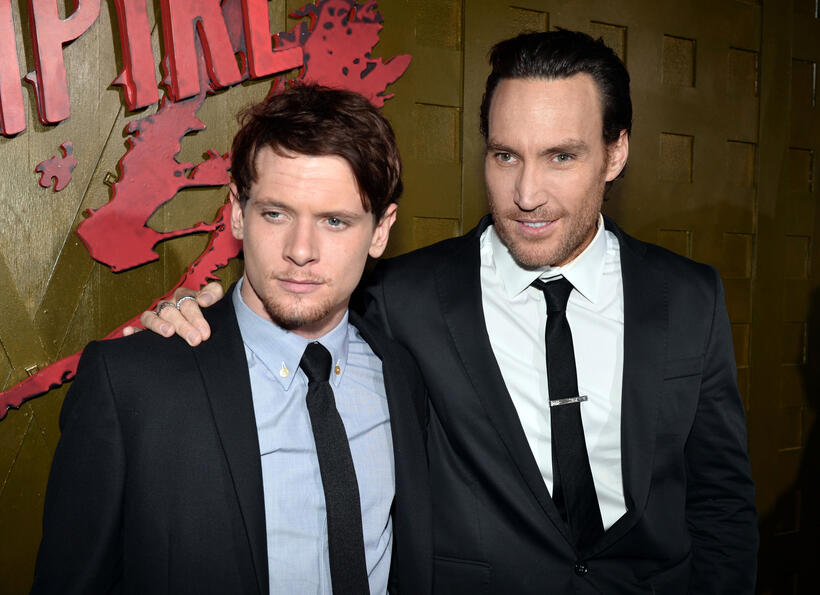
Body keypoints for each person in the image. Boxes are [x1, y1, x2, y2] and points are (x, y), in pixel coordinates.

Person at [140, 30, 759, 593]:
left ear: (615, 153)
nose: (526, 194)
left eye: (561, 157)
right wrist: (195, 315)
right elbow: (294, 296)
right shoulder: (401, 296)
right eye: (505, 155)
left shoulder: (689, 296)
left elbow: (720, 499)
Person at [32, 84, 432, 595]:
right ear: (237, 212)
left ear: (380, 231)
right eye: (275, 214)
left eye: (335, 221)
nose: (300, 250)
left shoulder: (400, 372)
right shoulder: (131, 383)